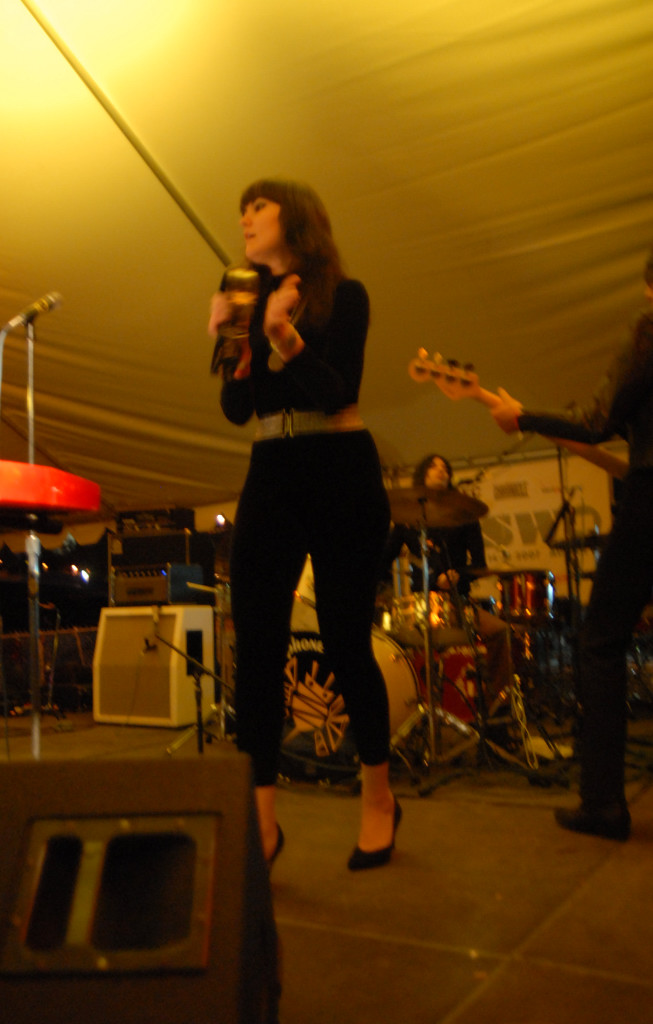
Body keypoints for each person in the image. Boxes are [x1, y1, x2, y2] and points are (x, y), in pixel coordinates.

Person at [207, 178, 400, 871]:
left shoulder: (344, 296)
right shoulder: (246, 301)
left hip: (340, 466)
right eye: (242, 209)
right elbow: (237, 411)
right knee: (257, 645)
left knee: (346, 641)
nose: (245, 217)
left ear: (295, 218)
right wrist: (234, 340)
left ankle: (378, 796)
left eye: (258, 206)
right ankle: (261, 822)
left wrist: (283, 334)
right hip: (272, 469)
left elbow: (337, 391)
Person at [488, 248, 653, 840]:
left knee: (600, 643)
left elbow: (595, 420)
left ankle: (603, 802)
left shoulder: (647, 335)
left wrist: (523, 416)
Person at [382, 454, 513, 704]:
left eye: (445, 467)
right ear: (423, 474)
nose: (441, 470)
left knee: (500, 631)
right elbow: (382, 562)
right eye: (434, 466)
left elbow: (479, 564)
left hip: (457, 603)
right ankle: (404, 702)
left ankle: (498, 702)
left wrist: (458, 576)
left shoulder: (464, 516)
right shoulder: (407, 520)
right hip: (418, 605)